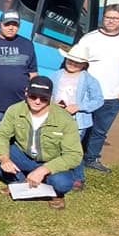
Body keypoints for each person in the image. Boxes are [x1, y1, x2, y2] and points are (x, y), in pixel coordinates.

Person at [0, 76, 83, 209]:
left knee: (63, 183)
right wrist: (4, 158)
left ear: (50, 97)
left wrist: (43, 170)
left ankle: (54, 192)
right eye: (33, 96)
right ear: (26, 93)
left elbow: (74, 155)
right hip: (24, 155)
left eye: (43, 98)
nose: (37, 101)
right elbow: (1, 134)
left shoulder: (65, 119)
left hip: (51, 161)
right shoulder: (15, 110)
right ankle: (20, 181)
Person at [76, 4, 119, 173]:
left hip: (112, 97)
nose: (110, 21)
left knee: (100, 131)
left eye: (115, 18)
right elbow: (77, 63)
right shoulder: (89, 38)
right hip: (87, 95)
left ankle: (91, 158)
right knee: (81, 128)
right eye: (107, 17)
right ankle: (74, 158)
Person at [0, 10, 37, 176]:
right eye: (7, 24)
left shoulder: (27, 44)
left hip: (20, 103)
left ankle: (10, 162)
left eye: (15, 24)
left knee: (15, 137)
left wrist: (33, 95)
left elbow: (33, 73)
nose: (11, 28)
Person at [48, 45, 103, 191]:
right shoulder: (55, 75)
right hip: (57, 118)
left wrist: (78, 106)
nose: (73, 64)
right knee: (56, 146)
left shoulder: (89, 79)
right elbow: (48, 94)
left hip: (77, 121)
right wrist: (52, 104)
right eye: (70, 60)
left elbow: (98, 100)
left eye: (77, 62)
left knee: (73, 148)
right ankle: (58, 172)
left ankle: (78, 177)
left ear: (84, 64)